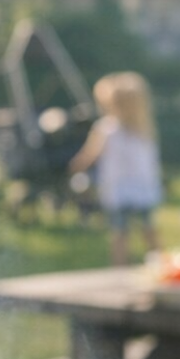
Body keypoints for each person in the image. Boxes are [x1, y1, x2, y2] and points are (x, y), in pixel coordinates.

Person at [70, 72, 163, 267]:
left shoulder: (106, 128)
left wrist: (76, 165)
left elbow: (90, 154)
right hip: (141, 187)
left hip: (119, 188)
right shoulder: (143, 129)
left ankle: (121, 268)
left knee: (120, 231)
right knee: (148, 228)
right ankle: (160, 263)